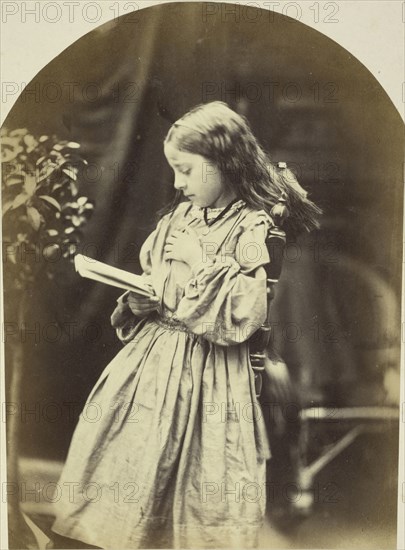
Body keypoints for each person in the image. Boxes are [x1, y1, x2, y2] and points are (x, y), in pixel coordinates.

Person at [49, 101, 320, 549]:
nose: (178, 183)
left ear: (225, 164)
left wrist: (201, 263)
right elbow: (160, 281)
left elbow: (246, 311)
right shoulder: (180, 217)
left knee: (201, 483)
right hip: (152, 360)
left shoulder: (250, 227)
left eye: (187, 170)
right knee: (118, 455)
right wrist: (143, 296)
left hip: (211, 370)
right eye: (174, 170)